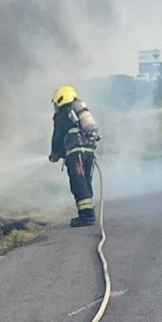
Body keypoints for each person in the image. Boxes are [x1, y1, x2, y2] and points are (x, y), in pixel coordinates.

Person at [48, 86, 101, 227]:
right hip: (89, 151)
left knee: (78, 183)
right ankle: (89, 211)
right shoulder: (79, 112)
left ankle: (87, 216)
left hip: (75, 153)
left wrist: (54, 154)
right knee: (86, 182)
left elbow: (57, 137)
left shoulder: (63, 114)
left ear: (60, 98)